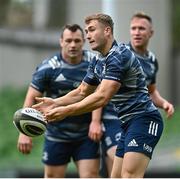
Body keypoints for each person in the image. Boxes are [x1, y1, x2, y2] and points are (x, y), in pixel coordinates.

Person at [33, 13, 164, 178]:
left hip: (144, 119)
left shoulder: (119, 55)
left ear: (107, 31)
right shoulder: (97, 61)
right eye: (87, 31)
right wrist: (55, 103)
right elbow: (82, 91)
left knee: (129, 175)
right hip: (127, 123)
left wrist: (66, 111)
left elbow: (102, 97)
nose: (88, 35)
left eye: (92, 30)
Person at [17, 24, 101, 178]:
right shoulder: (48, 67)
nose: (73, 45)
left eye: (77, 41)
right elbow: (31, 97)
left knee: (90, 176)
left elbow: (98, 94)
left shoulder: (94, 62)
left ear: (83, 41)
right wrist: (24, 132)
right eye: (68, 40)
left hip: (85, 135)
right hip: (56, 134)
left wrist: (95, 121)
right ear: (61, 41)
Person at [98, 11, 175, 177]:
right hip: (113, 119)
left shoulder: (152, 60)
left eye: (141, 28)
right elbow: (100, 92)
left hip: (137, 119)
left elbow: (151, 92)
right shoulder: (121, 54)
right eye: (133, 28)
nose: (137, 32)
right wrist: (95, 121)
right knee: (124, 170)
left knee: (126, 172)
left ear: (151, 33)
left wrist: (164, 103)